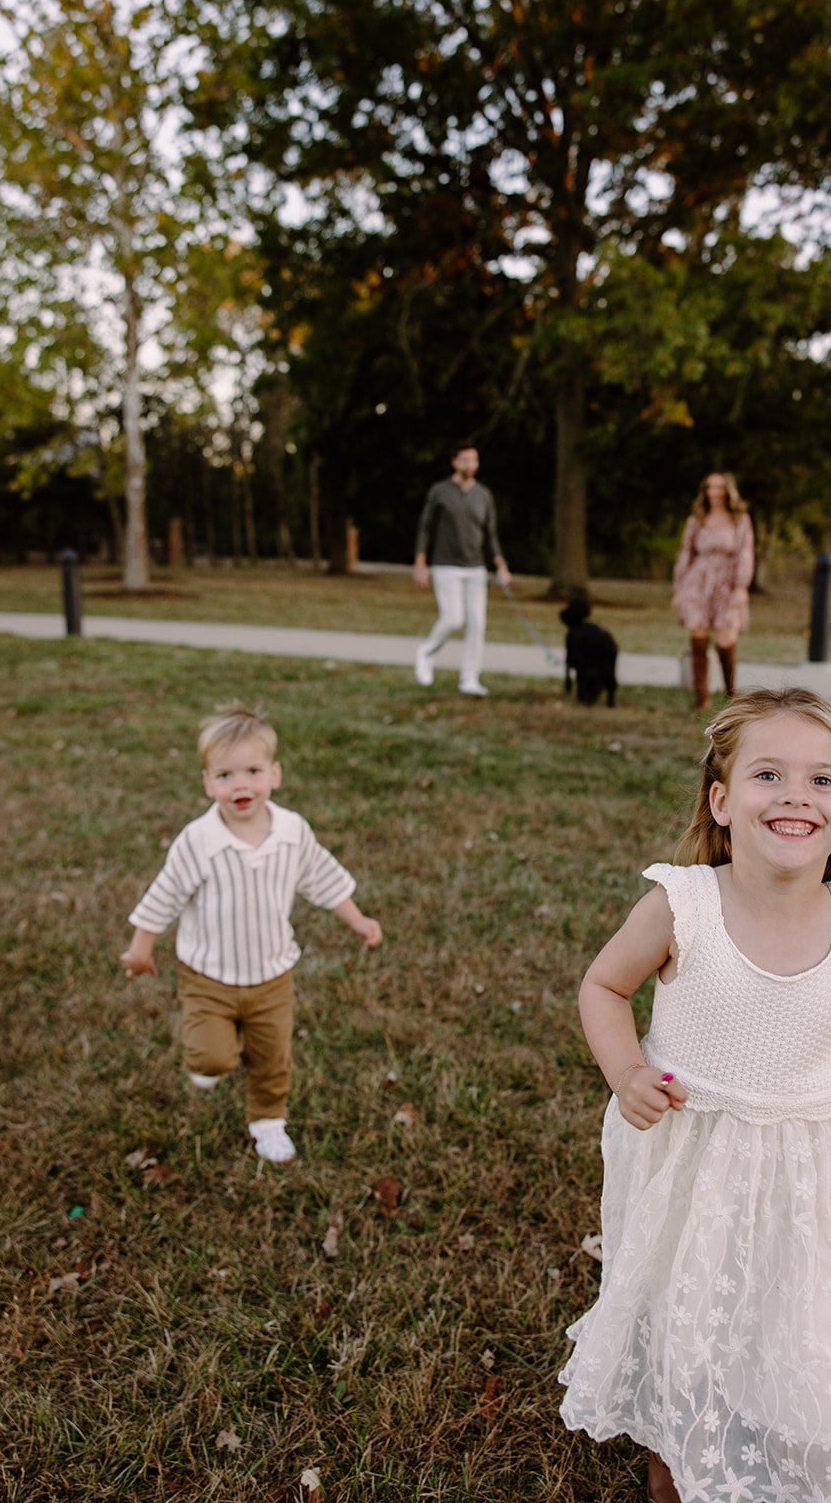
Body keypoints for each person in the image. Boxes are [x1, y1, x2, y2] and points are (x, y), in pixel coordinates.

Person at [559, 687, 831, 1503]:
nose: (795, 794)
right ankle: (674, 1459)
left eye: (821, 781)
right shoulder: (681, 905)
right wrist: (625, 1074)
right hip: (691, 1148)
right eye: (768, 774)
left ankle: (789, 1422)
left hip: (809, 1153)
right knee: (684, 1312)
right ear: (722, 802)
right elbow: (602, 986)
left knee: (800, 1307)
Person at [121, 703, 382, 1164]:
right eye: (224, 776)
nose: (240, 785)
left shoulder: (292, 832)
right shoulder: (198, 841)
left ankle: (268, 1122)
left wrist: (357, 919)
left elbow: (322, 877)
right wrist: (141, 948)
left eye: (253, 771)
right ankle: (212, 1059)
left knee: (272, 1058)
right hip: (208, 975)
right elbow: (164, 895)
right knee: (212, 1058)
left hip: (272, 975)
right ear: (207, 783)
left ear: (275, 775)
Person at [413, 442, 511, 698]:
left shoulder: (483, 495)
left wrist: (501, 565)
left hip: (476, 568)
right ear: (455, 462)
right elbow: (425, 527)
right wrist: (420, 563)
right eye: (466, 460)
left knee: (477, 624)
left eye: (474, 460)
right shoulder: (440, 491)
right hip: (445, 565)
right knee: (453, 619)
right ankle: (426, 652)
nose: (471, 465)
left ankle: (469, 678)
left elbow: (490, 535)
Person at [672, 472, 754, 710]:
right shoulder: (696, 519)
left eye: (719, 488)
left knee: (725, 636)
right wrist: (679, 588)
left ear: (728, 491)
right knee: (698, 634)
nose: (714, 493)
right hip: (698, 580)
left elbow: (745, 553)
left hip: (726, 582)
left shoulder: (740, 520)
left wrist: (741, 587)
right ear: (705, 491)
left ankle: (731, 696)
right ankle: (702, 698)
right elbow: (685, 552)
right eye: (710, 487)